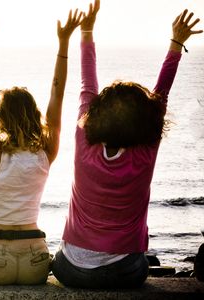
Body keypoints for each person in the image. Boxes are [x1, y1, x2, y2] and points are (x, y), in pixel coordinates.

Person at [51, 0, 202, 289]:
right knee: (142, 264)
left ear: (97, 112)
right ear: (146, 121)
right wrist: (176, 44)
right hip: (125, 273)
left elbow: (87, 85)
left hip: (71, 269)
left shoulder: (84, 140)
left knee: (59, 259)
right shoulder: (145, 153)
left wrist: (87, 31)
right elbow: (162, 94)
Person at [0, 5, 82, 285]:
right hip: (33, 262)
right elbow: (57, 93)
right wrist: (63, 43)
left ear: (1, 119)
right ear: (35, 115)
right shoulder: (46, 153)